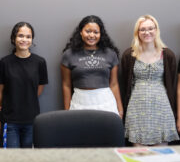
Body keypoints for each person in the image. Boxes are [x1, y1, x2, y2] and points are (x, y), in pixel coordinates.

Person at [122, 15, 179, 146]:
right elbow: (125, 83)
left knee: (161, 155)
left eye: (150, 28)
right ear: (137, 33)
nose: (147, 32)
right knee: (138, 155)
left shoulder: (168, 55)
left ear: (156, 30)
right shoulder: (129, 55)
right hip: (136, 108)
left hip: (162, 107)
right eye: (142, 29)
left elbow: (172, 84)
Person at [0, 22, 48, 148]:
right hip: (10, 120)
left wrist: (27, 99)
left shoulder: (39, 62)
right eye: (20, 36)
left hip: (32, 120)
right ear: (13, 38)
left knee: (29, 158)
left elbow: (39, 89)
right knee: (12, 159)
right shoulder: (4, 62)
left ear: (32, 39)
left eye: (28, 37)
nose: (24, 39)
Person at [61, 15, 123, 117]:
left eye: (96, 32)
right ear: (81, 32)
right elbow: (66, 85)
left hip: (106, 103)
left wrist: (120, 109)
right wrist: (67, 110)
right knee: (81, 133)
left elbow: (114, 84)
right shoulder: (69, 54)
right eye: (88, 31)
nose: (91, 35)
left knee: (105, 133)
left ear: (100, 34)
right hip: (80, 103)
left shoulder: (110, 54)